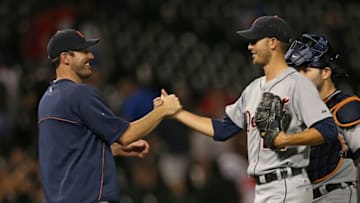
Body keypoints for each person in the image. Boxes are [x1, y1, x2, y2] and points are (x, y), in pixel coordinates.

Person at [154, 16, 339, 202]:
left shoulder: (298, 85)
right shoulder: (252, 89)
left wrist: (287, 139)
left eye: (255, 41)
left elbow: (328, 129)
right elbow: (222, 130)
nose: (250, 47)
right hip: (263, 188)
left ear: (273, 43)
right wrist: (177, 113)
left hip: (288, 183)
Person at [37, 29, 182, 203]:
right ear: (65, 58)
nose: (90, 56)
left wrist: (113, 150)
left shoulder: (47, 100)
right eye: (83, 51)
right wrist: (163, 111)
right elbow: (127, 135)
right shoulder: (78, 94)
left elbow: (70, 150)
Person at [286, 33, 359, 202]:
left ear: (326, 72)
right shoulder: (299, 112)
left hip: (338, 194)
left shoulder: (346, 106)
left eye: (305, 69)